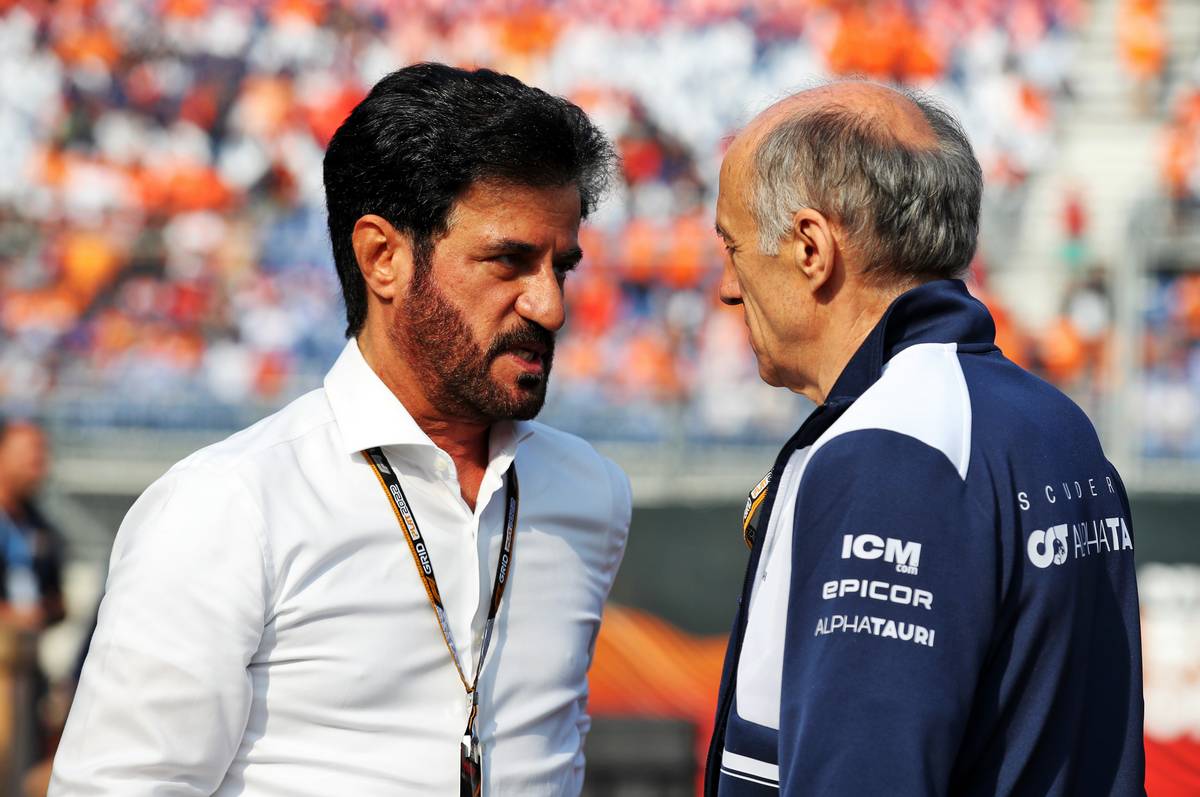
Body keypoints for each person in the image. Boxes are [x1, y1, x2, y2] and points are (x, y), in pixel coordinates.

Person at [50, 63, 631, 796]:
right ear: (383, 258)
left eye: (562, 267)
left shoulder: (591, 495)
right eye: (508, 261)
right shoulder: (228, 506)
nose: (550, 305)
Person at [705, 81, 1144, 796]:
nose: (726, 286)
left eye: (733, 247)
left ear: (812, 248)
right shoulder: (1055, 421)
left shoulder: (893, 445)